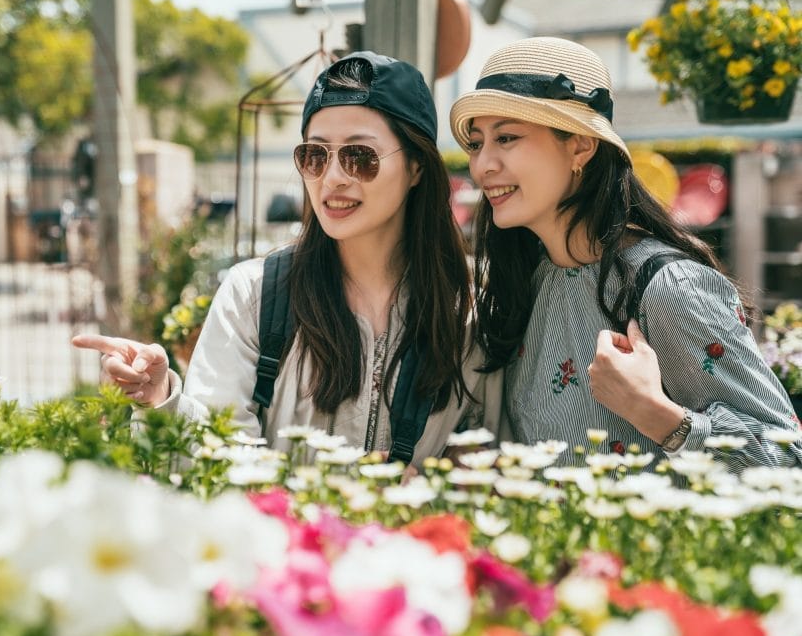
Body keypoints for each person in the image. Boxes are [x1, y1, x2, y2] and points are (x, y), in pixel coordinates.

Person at [73, 51, 503, 468]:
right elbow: (212, 457)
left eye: (359, 157)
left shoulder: (471, 313)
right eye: (315, 156)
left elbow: (487, 455)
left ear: (416, 168)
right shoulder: (256, 294)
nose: (333, 177)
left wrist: (435, 488)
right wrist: (160, 398)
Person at [449, 36, 801, 472]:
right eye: (477, 143)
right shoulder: (531, 280)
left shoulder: (668, 289)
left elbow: (789, 464)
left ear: (580, 145)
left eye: (506, 137)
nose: (483, 165)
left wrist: (661, 417)